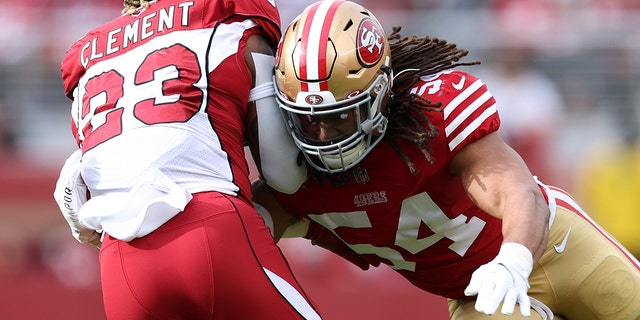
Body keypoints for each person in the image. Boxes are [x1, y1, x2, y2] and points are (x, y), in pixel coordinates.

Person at [252, 0, 640, 319]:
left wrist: (514, 262)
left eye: (340, 117)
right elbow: (234, 243)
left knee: (624, 299)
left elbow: (517, 191)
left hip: (555, 246)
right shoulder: (293, 180)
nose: (321, 136)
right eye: (307, 119)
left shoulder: (431, 116)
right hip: (479, 297)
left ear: (380, 94)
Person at [53, 0, 318, 319]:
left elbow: (77, 184)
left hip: (121, 261)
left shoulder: (86, 55)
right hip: (210, 227)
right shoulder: (229, 15)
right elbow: (284, 174)